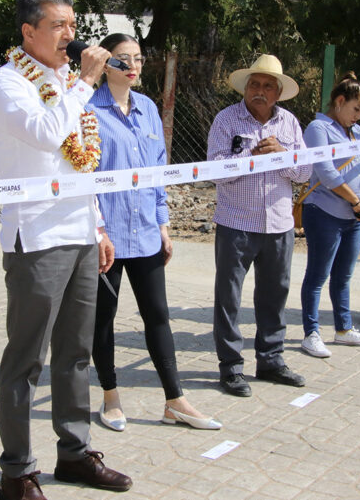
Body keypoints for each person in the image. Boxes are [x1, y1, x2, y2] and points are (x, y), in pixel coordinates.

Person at [0, 0, 132, 500]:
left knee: (76, 353)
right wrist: (87, 81)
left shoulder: (67, 82)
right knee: (26, 359)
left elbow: (80, 162)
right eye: (59, 26)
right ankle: (17, 471)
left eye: (72, 24)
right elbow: (48, 134)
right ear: (28, 32)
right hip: (37, 237)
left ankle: (75, 452)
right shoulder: (6, 84)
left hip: (79, 235)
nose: (71, 35)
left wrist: (98, 227)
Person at [88, 33, 221, 431]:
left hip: (145, 230)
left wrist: (163, 224)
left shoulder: (147, 108)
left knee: (158, 316)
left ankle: (175, 400)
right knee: (103, 319)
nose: (133, 65)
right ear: (105, 64)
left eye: (139, 58)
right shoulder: (86, 110)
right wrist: (97, 232)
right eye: (123, 58)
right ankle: (110, 397)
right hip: (106, 236)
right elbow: (85, 178)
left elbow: (158, 172)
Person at [206, 53, 311, 397]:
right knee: (229, 298)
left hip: (279, 224)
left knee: (274, 296)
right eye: (255, 84)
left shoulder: (290, 124)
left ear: (278, 93)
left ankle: (270, 360)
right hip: (236, 222)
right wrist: (251, 159)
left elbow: (304, 173)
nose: (260, 91)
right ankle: (231, 367)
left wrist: (281, 154)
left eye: (268, 86)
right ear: (245, 87)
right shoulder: (226, 120)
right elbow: (215, 171)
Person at [297, 76, 360, 358]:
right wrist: (357, 201)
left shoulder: (358, 132)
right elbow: (326, 172)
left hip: (354, 217)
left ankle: (344, 329)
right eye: (357, 109)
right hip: (324, 211)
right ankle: (311, 333)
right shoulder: (318, 128)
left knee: (343, 276)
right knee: (318, 274)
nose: (358, 115)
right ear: (339, 101)